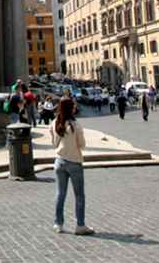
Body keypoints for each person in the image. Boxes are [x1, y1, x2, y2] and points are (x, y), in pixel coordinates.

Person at [50, 97, 93, 235]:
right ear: (70, 108)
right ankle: (80, 225)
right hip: (74, 162)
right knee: (79, 195)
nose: (75, 107)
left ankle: (58, 224)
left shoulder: (55, 122)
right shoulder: (75, 125)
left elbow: (54, 143)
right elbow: (82, 145)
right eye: (73, 106)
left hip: (59, 161)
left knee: (60, 194)